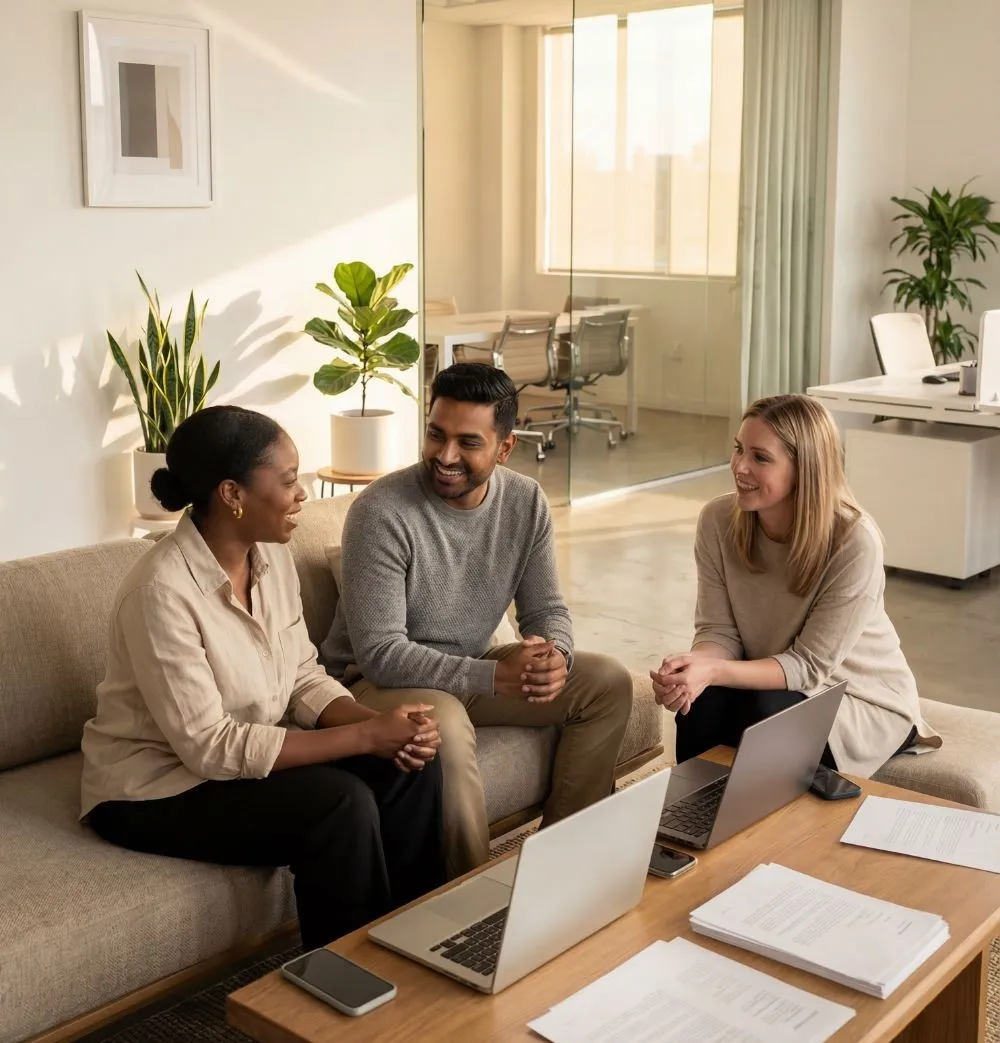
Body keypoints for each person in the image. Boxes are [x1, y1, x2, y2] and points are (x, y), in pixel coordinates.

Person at [81, 406, 448, 950]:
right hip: (154, 789)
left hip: (228, 760)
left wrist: (384, 728)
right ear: (233, 494)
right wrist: (363, 737)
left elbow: (302, 677)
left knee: (407, 766)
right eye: (289, 480)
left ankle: (421, 949)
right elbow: (209, 748)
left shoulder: (270, 562)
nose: (301, 494)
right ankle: (347, 989)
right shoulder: (160, 593)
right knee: (339, 805)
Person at [320, 363, 634, 876]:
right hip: (371, 684)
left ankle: (560, 866)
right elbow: (379, 656)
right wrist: (492, 675)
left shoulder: (525, 501)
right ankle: (465, 901)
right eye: (435, 435)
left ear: (504, 448)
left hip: (470, 665)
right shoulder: (382, 512)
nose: (445, 457)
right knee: (442, 720)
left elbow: (546, 609)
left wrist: (556, 653)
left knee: (606, 682)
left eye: (467, 443)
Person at [652, 394, 940, 776]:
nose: (739, 466)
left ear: (804, 468)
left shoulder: (854, 541)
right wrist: (694, 669)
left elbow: (809, 666)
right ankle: (686, 824)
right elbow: (718, 632)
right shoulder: (717, 521)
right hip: (773, 683)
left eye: (761, 457)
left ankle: (762, 830)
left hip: (857, 697)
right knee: (704, 702)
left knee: (769, 714)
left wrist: (715, 672)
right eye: (739, 450)